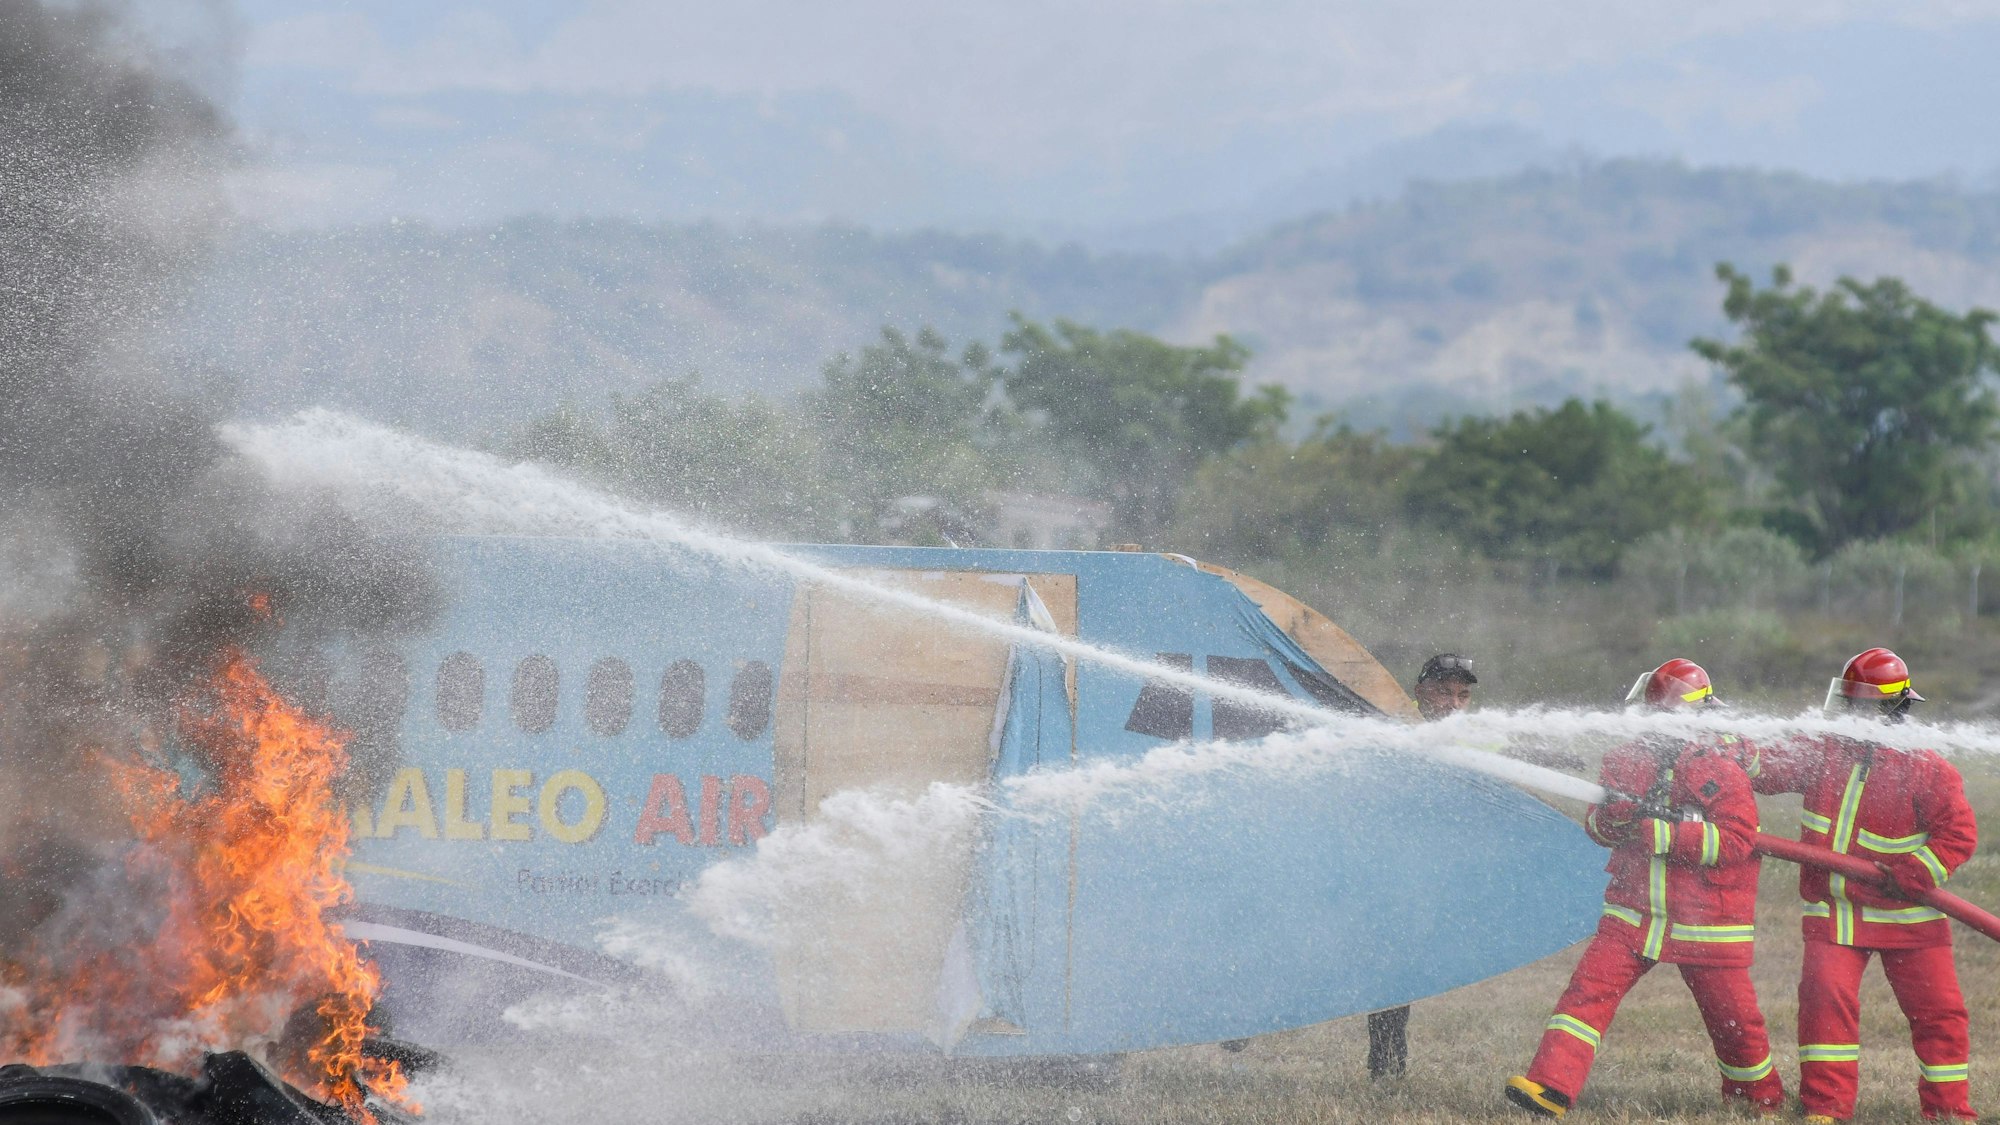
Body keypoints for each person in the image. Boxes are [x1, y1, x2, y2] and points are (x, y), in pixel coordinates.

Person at [1506, 659, 1782, 1118]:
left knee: (1735, 1023)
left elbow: (1737, 839)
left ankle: (1759, 1100)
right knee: (1584, 997)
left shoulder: (1723, 769)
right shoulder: (1623, 761)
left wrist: (1668, 836)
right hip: (1633, 914)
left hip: (1707, 921)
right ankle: (1549, 1087)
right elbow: (1598, 826)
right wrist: (1612, 818)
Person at [1751, 648, 1978, 1123]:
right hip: (1836, 912)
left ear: (1894, 710)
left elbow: (1958, 835)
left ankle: (1949, 1111)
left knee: (1940, 1015)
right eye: (1850, 704)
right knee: (1823, 1006)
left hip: (1909, 918)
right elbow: (1767, 769)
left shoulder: (1927, 767)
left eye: (1864, 706)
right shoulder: (1822, 749)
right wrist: (1734, 756)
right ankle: (1824, 1109)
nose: (1853, 715)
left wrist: (1917, 872)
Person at [1361, 653, 1480, 1078]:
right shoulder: (1392, 726)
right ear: (1419, 692)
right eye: (1443, 692)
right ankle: (1385, 1059)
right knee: (1387, 958)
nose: (1453, 703)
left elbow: (1508, 759)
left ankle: (1389, 1059)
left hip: (1423, 875)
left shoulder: (1472, 736)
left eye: (1462, 695)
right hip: (1380, 868)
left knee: (1399, 963)